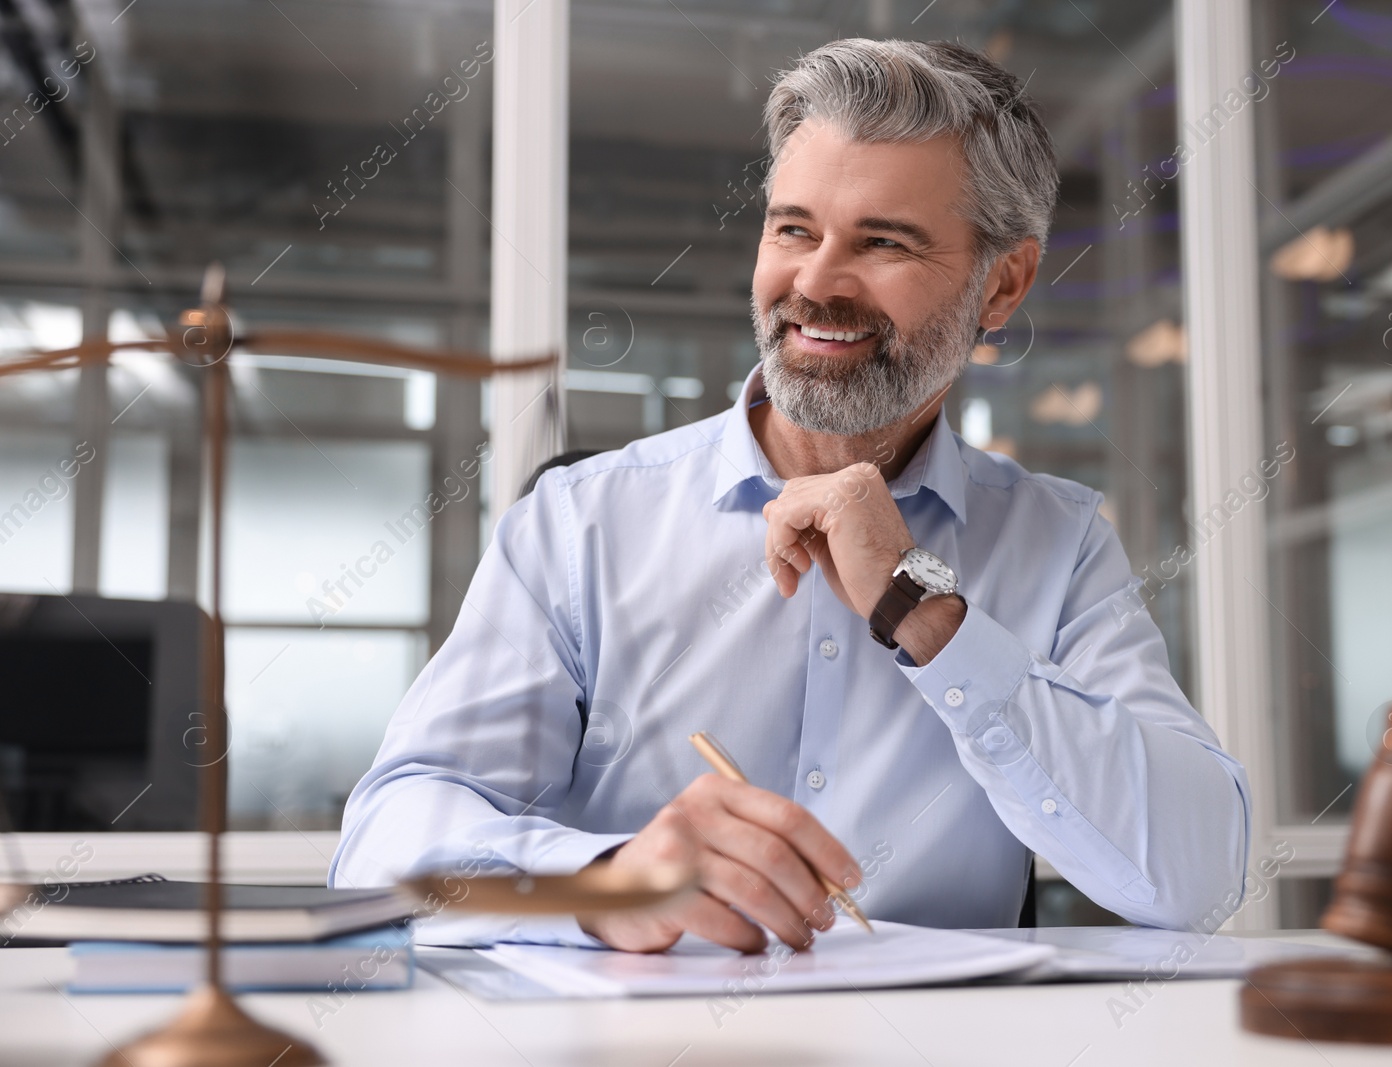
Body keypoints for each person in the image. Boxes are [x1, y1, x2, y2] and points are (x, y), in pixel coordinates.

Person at [330, 38, 1250, 954]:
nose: (814, 283)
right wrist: (611, 880)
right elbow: (383, 852)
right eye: (794, 229)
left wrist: (925, 607)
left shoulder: (1061, 540)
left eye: (883, 241)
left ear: (1001, 285)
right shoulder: (580, 523)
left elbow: (1199, 875)